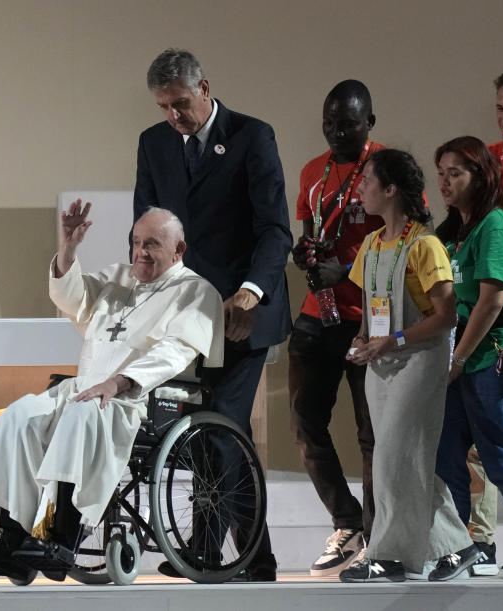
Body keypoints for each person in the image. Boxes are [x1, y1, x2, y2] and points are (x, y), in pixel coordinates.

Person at [0, 202, 224, 582]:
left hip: (138, 400)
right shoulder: (119, 277)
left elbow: (174, 352)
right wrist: (68, 249)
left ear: (178, 250)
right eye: (135, 243)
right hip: (85, 389)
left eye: (152, 245)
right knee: (17, 418)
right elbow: (72, 298)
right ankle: (10, 537)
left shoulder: (195, 292)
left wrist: (118, 382)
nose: (140, 253)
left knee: (84, 412)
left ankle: (62, 536)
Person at [133, 48, 292, 581]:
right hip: (188, 317)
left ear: (205, 88)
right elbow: (148, 229)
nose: (174, 116)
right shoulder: (153, 144)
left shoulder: (252, 135)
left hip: (245, 314)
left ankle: (201, 550)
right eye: (164, 107)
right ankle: (257, 557)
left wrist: (250, 292)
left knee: (221, 426)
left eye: (180, 103)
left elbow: (274, 229)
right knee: (214, 431)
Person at [336, 149, 478, 583]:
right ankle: (457, 547)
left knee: (392, 457)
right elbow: (368, 311)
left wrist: (392, 340)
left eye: (367, 181)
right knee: (403, 459)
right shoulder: (372, 245)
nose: (359, 188)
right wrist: (362, 343)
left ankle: (384, 552)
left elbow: (446, 317)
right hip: (382, 363)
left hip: (419, 360)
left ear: (391, 189)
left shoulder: (426, 245)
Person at [431, 136, 503, 574]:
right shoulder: (457, 232)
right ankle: (460, 545)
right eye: (440, 173)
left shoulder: (497, 225)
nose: (445, 181)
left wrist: (456, 360)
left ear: (481, 176)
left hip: (492, 360)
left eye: (455, 173)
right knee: (444, 454)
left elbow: (492, 300)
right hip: (463, 362)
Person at [289, 79, 382, 576]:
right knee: (305, 423)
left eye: (346, 123)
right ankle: (346, 522)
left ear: (370, 121)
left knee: (372, 435)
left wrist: (347, 273)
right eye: (329, 123)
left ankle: (377, 533)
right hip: (316, 312)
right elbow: (313, 237)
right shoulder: (312, 171)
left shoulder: (386, 167)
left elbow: (407, 243)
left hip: (371, 318)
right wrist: (303, 252)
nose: (336, 132)